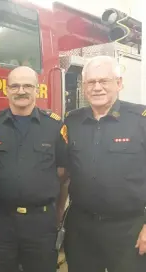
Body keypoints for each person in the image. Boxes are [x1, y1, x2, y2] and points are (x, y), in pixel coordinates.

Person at [0, 66, 69, 272]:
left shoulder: (55, 126)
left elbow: (63, 170)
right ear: (6, 90)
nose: (21, 91)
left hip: (40, 223)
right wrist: (2, 180)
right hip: (0, 222)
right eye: (15, 86)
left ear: (37, 90)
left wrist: (38, 185)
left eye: (27, 86)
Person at [63, 55, 146, 272]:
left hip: (129, 229)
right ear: (84, 86)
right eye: (91, 82)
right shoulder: (72, 121)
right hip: (82, 229)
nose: (97, 87)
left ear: (119, 83)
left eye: (104, 81)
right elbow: (64, 172)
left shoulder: (140, 119)